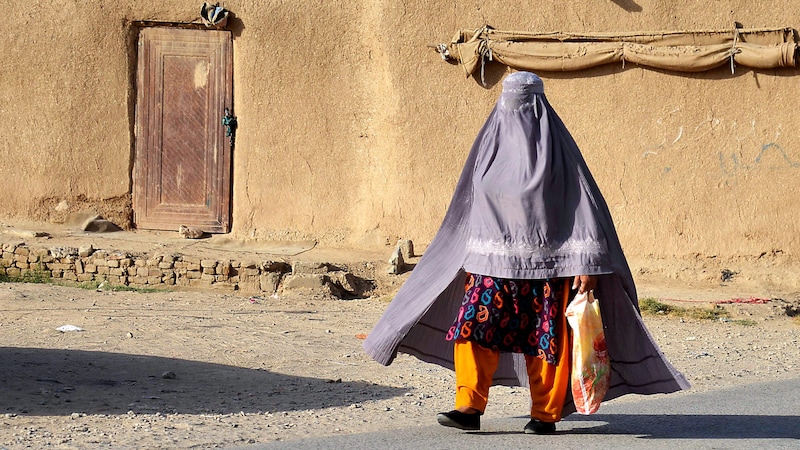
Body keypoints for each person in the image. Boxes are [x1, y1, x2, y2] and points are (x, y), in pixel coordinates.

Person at [363, 71, 689, 433]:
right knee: (473, 330)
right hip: (491, 264)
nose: (517, 111)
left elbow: (585, 209)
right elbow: (469, 206)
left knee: (545, 341)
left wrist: (587, 264)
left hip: (549, 267)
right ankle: (468, 407)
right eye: (511, 101)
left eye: (526, 103)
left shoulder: (561, 156)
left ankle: (545, 415)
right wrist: (466, 256)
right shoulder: (488, 149)